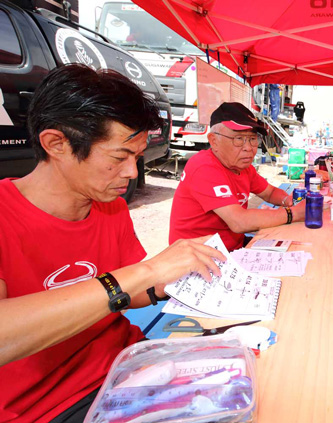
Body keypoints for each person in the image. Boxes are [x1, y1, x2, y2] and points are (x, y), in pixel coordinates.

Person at [0, 64, 226, 423]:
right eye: (120, 157)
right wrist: (147, 271)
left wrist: (168, 282)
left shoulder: (110, 207)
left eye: (137, 157)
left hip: (127, 367)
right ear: (56, 143)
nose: (133, 173)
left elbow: (130, 291)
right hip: (45, 407)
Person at [169, 102, 307, 251]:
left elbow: (270, 192)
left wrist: (290, 201)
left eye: (253, 139)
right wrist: (292, 213)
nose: (248, 148)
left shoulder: (242, 167)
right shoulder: (204, 167)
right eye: (239, 139)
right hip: (198, 258)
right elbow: (239, 221)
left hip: (230, 249)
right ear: (214, 141)